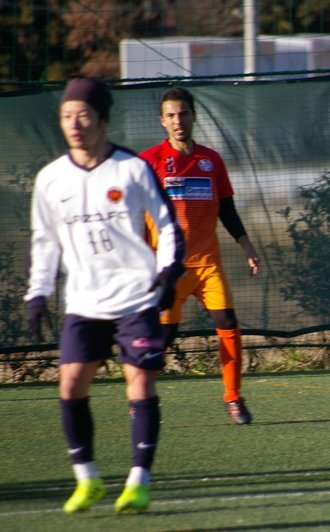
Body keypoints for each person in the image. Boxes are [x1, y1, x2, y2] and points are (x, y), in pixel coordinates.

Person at [24, 76, 185, 513]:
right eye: (66, 116)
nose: (74, 124)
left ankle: (138, 480)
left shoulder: (131, 169)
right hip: (84, 302)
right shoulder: (51, 179)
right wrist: (37, 293)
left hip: (135, 297)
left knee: (140, 383)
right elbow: (45, 242)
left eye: (83, 115)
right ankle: (87, 478)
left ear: (102, 119)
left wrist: (169, 271)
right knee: (71, 384)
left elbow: (167, 225)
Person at [140, 87, 259, 425]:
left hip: (208, 265)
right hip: (167, 269)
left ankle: (233, 398)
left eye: (184, 113)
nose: (178, 120)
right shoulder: (148, 161)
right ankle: (141, 396)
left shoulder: (211, 160)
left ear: (194, 116)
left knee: (228, 324)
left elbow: (227, 208)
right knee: (162, 340)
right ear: (162, 121)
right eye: (171, 115)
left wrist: (247, 246)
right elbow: (134, 212)